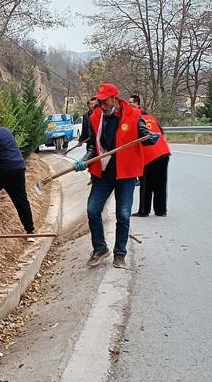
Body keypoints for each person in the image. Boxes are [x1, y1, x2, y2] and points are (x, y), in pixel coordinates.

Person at [72, 84, 158, 269]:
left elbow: (144, 135)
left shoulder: (133, 116)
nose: (101, 104)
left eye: (104, 101)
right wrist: (85, 160)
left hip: (125, 175)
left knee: (123, 215)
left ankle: (120, 254)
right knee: (93, 210)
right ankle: (100, 248)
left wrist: (150, 138)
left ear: (114, 99)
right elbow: (93, 147)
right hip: (102, 174)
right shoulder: (96, 118)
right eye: (99, 101)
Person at [135, 111, 170, 217]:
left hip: (149, 155)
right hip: (164, 152)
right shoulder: (151, 118)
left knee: (146, 184)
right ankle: (161, 210)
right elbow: (161, 132)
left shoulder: (134, 120)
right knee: (161, 184)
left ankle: (144, 211)